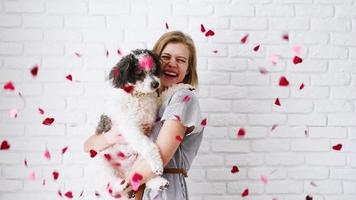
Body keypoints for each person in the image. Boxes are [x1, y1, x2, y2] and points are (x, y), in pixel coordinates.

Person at [83, 30, 204, 200]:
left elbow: (159, 155)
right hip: (133, 184)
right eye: (166, 57)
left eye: (181, 60)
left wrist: (125, 187)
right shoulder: (146, 97)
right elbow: (88, 145)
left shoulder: (183, 98)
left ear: (188, 69)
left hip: (161, 191)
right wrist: (112, 137)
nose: (172, 64)